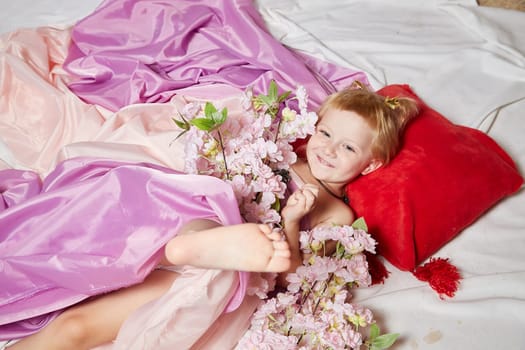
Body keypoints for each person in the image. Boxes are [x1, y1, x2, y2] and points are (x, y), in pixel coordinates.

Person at [3, 85, 418, 349]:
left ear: (369, 166)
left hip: (218, 270)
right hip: (175, 227)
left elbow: (292, 274)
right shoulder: (282, 152)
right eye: (326, 134)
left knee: (75, 329)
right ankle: (196, 241)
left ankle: (205, 246)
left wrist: (292, 218)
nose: (328, 150)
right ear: (315, 127)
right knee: (207, 197)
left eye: (348, 148)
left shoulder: (338, 214)